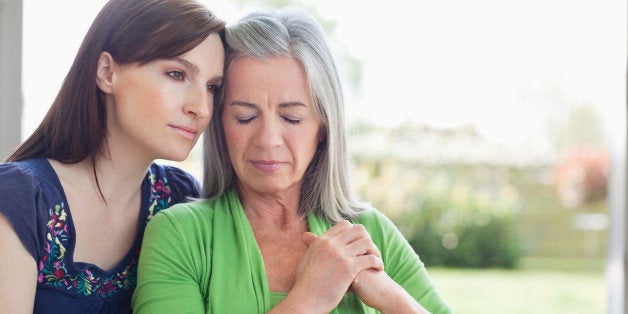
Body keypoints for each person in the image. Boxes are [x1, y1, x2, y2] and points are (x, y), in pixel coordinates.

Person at [133, 8, 452, 314]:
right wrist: (308, 300)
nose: (268, 139)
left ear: (323, 127)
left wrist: (392, 298)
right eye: (245, 117)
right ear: (220, 124)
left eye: (291, 118)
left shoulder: (371, 234)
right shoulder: (179, 235)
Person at [0, 0, 225, 313]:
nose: (200, 107)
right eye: (176, 74)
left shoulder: (181, 199)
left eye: (213, 87)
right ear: (107, 71)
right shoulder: (20, 199)